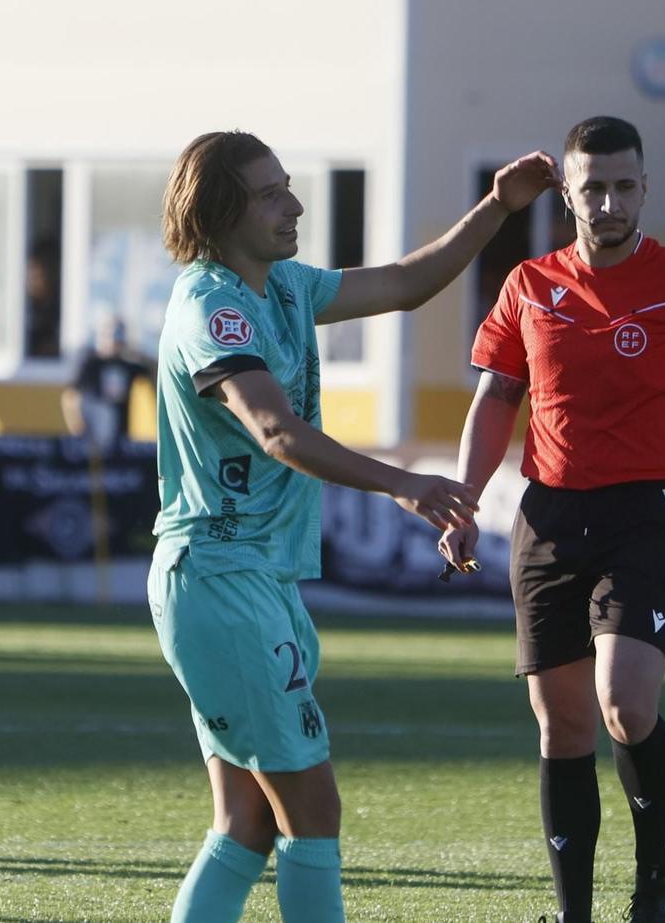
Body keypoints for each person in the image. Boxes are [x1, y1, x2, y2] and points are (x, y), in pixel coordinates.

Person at [149, 129, 553, 923]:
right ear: (222, 210)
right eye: (271, 194)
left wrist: (497, 208)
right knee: (312, 809)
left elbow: (405, 282)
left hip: (246, 577)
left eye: (287, 186)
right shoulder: (212, 306)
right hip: (222, 577)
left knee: (248, 820)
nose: (294, 204)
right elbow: (276, 431)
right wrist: (402, 483)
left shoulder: (283, 286)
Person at [438, 116, 665, 923]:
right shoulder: (528, 284)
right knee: (564, 725)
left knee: (625, 702)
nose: (609, 202)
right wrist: (464, 501)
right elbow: (495, 401)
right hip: (548, 518)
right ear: (568, 193)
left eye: (623, 186)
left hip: (644, 515)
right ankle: (573, 913)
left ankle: (655, 872)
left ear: (645, 188)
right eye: (593, 188)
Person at [63, 316, 156, 445]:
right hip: (91, 435)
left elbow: (153, 368)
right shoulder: (90, 362)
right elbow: (71, 395)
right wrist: (76, 424)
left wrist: (136, 352)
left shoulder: (127, 365)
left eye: (118, 337)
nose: (114, 342)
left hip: (119, 437)